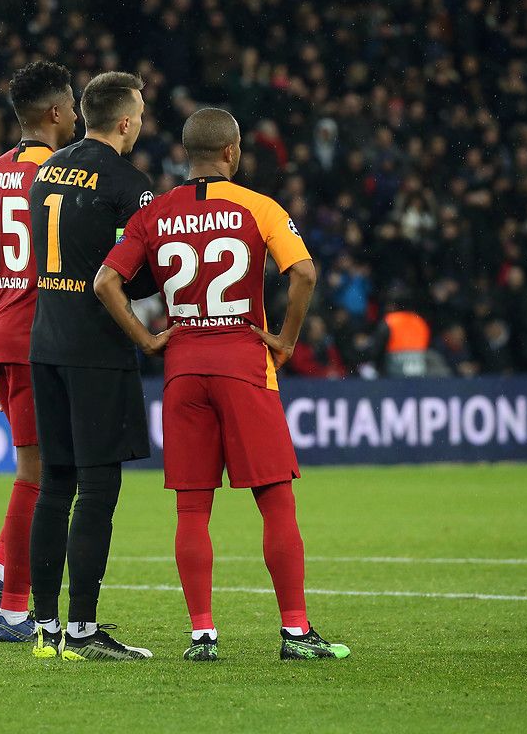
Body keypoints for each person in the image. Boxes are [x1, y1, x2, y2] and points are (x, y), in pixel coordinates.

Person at [95, 108, 351, 661]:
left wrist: (146, 339)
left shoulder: (155, 213)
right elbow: (303, 272)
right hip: (243, 362)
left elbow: (106, 281)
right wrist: (284, 340)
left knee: (192, 511)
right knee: (275, 502)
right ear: (233, 152)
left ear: (188, 154)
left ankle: (202, 636)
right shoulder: (258, 206)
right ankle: (295, 633)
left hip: (183, 366)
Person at [27, 71, 158, 661]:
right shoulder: (128, 182)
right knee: (99, 486)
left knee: (55, 485)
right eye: (142, 114)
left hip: (46, 343)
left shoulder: (49, 169)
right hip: (97, 351)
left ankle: (46, 628)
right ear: (126, 121)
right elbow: (149, 265)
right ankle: (83, 629)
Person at [0, 60, 78, 642]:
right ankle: (13, 610)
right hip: (39, 333)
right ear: (56, 113)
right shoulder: (62, 175)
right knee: (40, 472)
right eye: (74, 105)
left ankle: (0, 568)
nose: (80, 116)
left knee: (39, 468)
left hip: (1, 331)